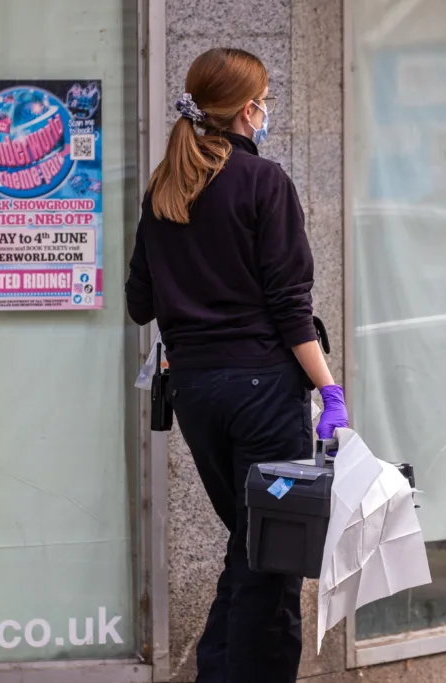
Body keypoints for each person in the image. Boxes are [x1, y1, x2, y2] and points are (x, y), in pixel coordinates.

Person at [124, 47, 349, 683]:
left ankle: (214, 671)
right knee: (272, 557)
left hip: (196, 394)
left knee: (252, 545)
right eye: (266, 98)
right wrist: (329, 391)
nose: (267, 110)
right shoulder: (264, 182)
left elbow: (140, 304)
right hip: (262, 394)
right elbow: (289, 305)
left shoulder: (165, 191)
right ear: (248, 109)